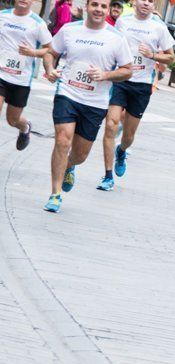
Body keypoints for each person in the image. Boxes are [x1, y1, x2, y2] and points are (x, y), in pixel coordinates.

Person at [42, 0, 132, 213]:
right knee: (62, 140)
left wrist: (106, 75)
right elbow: (50, 53)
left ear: (107, 9)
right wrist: (50, 69)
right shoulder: (69, 30)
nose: (98, 10)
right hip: (68, 93)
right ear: (86, 7)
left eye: (103, 6)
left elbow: (127, 70)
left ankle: (70, 165)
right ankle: (55, 194)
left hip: (95, 103)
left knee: (80, 154)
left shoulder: (116, 38)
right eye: (94, 5)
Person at [97, 0, 174, 191]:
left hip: (142, 85)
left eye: (151, 1)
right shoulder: (123, 21)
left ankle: (121, 151)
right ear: (135, 2)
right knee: (110, 125)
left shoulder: (159, 27)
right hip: (121, 79)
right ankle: (108, 176)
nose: (147, 3)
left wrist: (153, 55)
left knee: (129, 135)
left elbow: (171, 57)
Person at [0, 0, 52, 151]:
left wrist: (33, 52)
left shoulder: (37, 23)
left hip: (21, 79)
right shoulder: (2, 16)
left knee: (13, 119)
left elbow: (50, 49)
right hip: (1, 74)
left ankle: (25, 128)